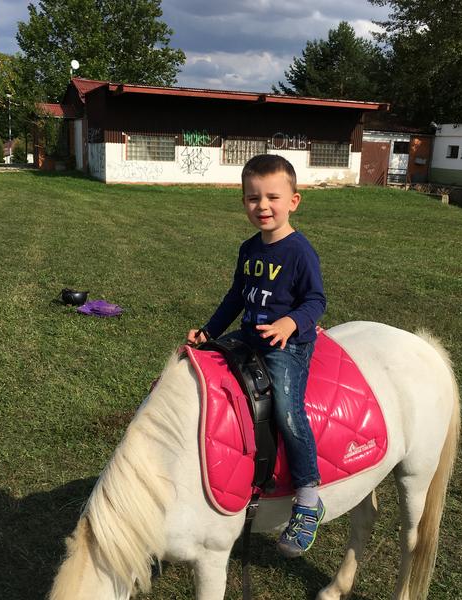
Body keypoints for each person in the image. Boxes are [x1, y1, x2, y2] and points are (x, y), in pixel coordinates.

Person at [187, 154, 326, 557]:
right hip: (249, 337)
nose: (262, 206)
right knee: (199, 371)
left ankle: (308, 497)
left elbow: (316, 300)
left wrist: (290, 324)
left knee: (286, 411)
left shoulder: (299, 252)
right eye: (253, 198)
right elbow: (236, 297)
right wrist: (209, 332)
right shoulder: (249, 249)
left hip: (286, 346)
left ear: (293, 201)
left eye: (272, 197)